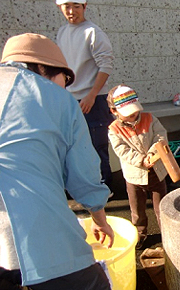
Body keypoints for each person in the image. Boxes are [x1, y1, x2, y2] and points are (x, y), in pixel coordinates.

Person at [0, 33, 114, 290]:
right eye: (65, 79)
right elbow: (83, 174)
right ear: (42, 68)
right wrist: (99, 217)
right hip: (38, 232)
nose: (65, 87)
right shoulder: (57, 98)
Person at [56, 0, 115, 192]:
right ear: (60, 8)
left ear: (85, 7)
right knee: (73, 146)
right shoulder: (62, 32)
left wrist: (91, 95)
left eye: (76, 6)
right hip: (69, 99)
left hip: (94, 100)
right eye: (67, 6)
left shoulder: (93, 32)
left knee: (97, 146)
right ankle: (82, 186)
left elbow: (105, 66)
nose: (71, 11)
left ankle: (105, 188)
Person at [107, 84, 168, 250]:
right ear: (114, 111)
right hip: (134, 177)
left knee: (162, 208)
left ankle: (168, 235)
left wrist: (153, 152)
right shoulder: (114, 130)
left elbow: (160, 136)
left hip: (156, 172)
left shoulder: (149, 118)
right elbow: (122, 151)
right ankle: (140, 233)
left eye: (135, 110)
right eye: (128, 113)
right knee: (137, 210)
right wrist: (141, 160)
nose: (134, 115)